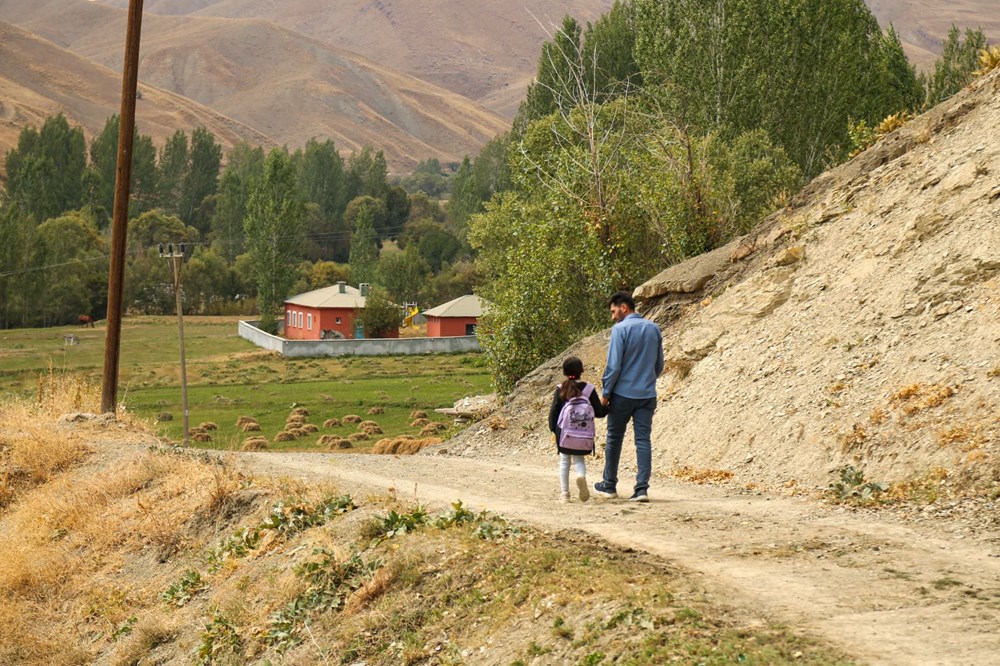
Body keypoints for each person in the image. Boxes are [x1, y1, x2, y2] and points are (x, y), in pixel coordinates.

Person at [594, 291, 664, 502]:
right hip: (647, 395)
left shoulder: (620, 330)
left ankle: (609, 485)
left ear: (624, 307)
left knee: (614, 439)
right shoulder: (654, 328)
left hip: (622, 395)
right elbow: (659, 364)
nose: (613, 316)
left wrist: (606, 393)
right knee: (643, 440)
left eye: (614, 311)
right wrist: (647, 380)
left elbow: (614, 366)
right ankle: (641, 489)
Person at [548, 356, 607, 502]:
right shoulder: (589, 389)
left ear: (564, 372)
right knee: (579, 459)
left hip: (564, 434)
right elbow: (599, 412)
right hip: (583, 436)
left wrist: (553, 429)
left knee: (564, 461)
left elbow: (554, 411)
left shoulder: (561, 389)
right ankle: (581, 476)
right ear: (582, 371)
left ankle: (565, 494)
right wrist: (608, 407)